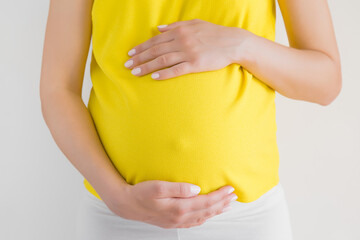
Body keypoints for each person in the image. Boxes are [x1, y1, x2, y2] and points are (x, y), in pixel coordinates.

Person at [40, 0, 341, 239]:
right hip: (117, 218)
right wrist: (117, 196)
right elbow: (57, 88)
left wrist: (241, 45)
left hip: (246, 222)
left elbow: (325, 81)